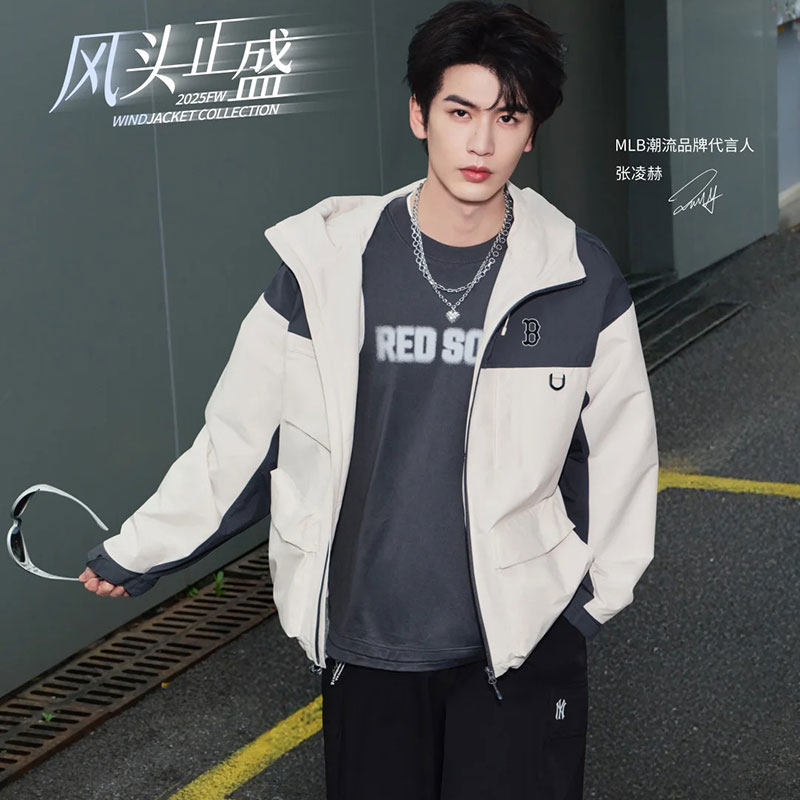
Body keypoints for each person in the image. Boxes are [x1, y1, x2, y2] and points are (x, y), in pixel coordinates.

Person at [79, 2, 659, 797]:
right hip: (368, 644)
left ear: (532, 132)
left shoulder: (579, 278)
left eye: (508, 116)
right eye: (460, 112)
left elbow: (620, 454)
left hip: (520, 646)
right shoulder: (324, 265)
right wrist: (142, 548)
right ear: (420, 115)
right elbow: (242, 435)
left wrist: (585, 604)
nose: (482, 143)